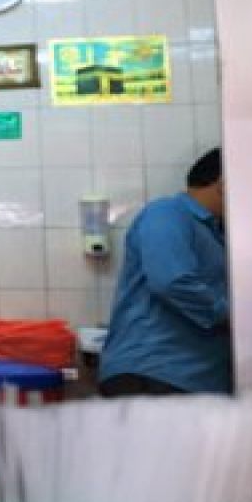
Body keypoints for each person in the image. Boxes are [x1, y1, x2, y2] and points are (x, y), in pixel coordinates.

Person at [97, 148, 231, 398]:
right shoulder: (167, 214)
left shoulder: (215, 233)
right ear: (225, 185)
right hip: (157, 374)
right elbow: (172, 282)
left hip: (194, 379)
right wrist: (237, 318)